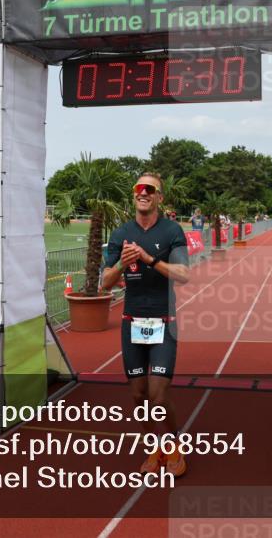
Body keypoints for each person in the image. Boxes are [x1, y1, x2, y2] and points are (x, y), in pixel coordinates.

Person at [102, 172, 190, 477]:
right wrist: (123, 264)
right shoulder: (120, 234)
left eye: (149, 189)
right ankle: (153, 447)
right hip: (131, 324)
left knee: (158, 395)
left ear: (159, 197)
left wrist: (149, 259)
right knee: (138, 395)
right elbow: (104, 283)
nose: (143, 193)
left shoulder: (172, 231)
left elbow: (184, 274)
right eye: (138, 188)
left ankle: (173, 444)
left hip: (165, 323)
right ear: (133, 195)